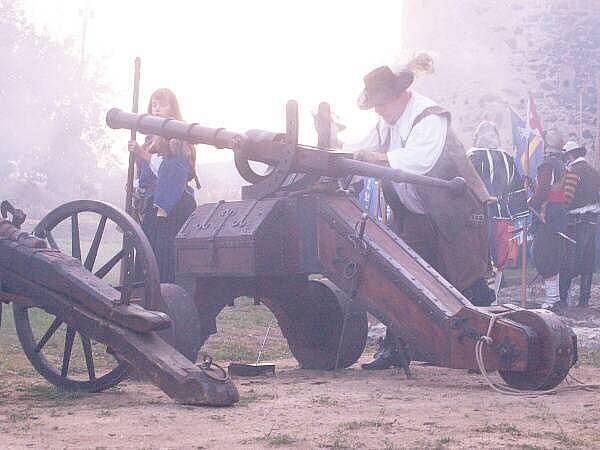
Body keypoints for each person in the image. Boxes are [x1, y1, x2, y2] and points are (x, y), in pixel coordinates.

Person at [346, 56, 495, 370]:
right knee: (402, 277)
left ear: (402, 96)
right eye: (375, 105)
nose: (379, 111)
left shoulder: (430, 116)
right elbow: (360, 148)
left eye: (382, 104)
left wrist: (372, 159)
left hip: (455, 213)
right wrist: (340, 156)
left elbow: (417, 162)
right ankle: (396, 348)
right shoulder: (387, 122)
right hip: (417, 214)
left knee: (467, 282)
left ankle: (486, 350)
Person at [129, 88, 199, 282]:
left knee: (164, 254)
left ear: (172, 108)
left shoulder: (179, 137)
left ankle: (166, 296)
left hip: (173, 207)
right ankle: (144, 294)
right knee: (147, 253)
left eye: (162, 104)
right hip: (153, 207)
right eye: (154, 104)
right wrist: (137, 183)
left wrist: (144, 154)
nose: (157, 108)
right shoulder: (151, 138)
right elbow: (148, 174)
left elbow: (172, 170)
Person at [529, 129, 568, 311]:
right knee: (553, 255)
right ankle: (555, 297)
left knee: (544, 255)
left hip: (547, 214)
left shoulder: (547, 166)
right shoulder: (562, 165)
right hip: (558, 215)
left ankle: (552, 299)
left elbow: (544, 190)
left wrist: (532, 202)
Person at [558, 140, 600, 308]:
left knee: (568, 260)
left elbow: (567, 199)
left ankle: (562, 299)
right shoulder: (595, 172)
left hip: (574, 223)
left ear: (570, 155)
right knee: (588, 262)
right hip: (592, 222)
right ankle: (584, 300)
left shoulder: (572, 171)